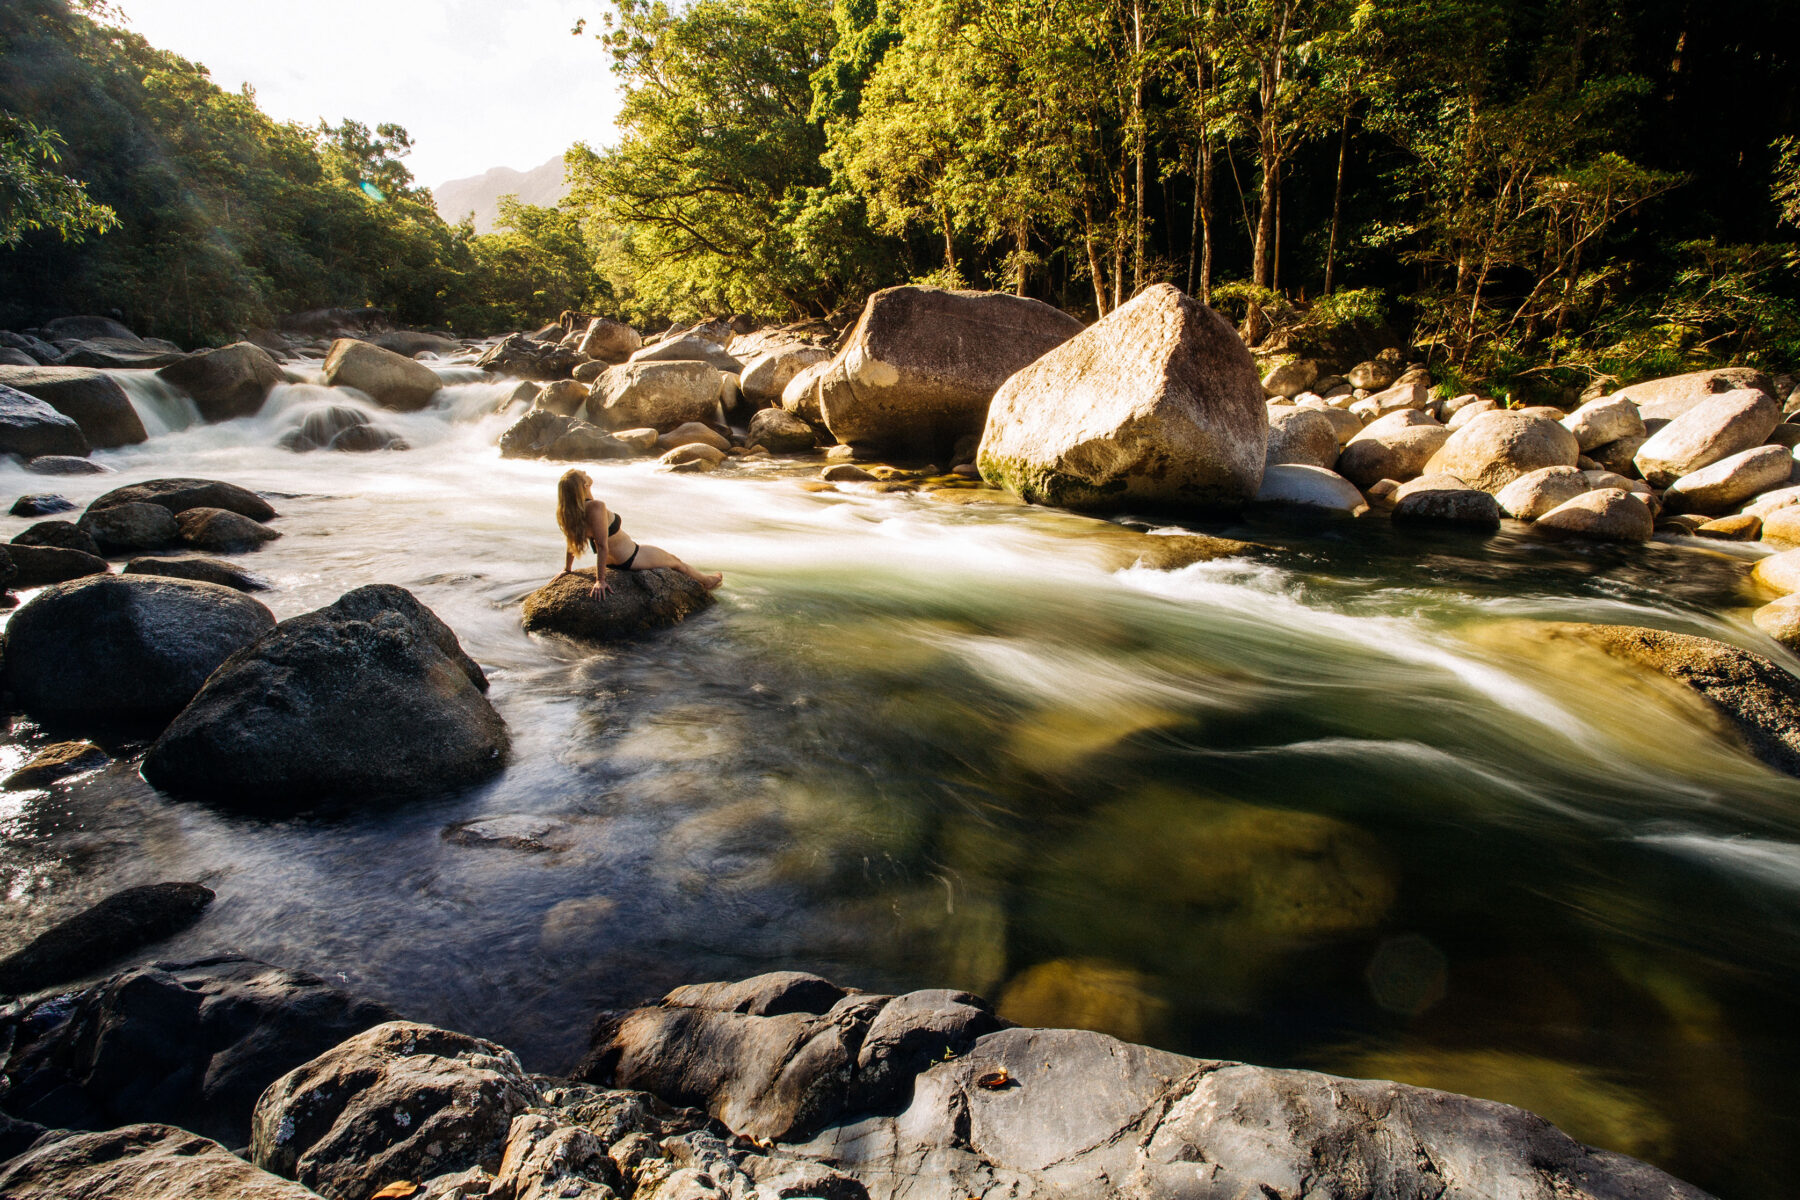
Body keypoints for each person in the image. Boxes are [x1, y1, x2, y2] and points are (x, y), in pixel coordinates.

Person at [555, 468, 723, 598]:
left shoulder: (571, 512)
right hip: (631, 556)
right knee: (676, 562)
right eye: (583, 474)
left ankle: (704, 581)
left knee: (672, 560)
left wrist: (567, 569)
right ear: (584, 485)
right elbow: (601, 544)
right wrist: (600, 580)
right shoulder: (596, 506)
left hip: (611, 562)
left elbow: (572, 541)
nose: (586, 472)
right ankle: (707, 581)